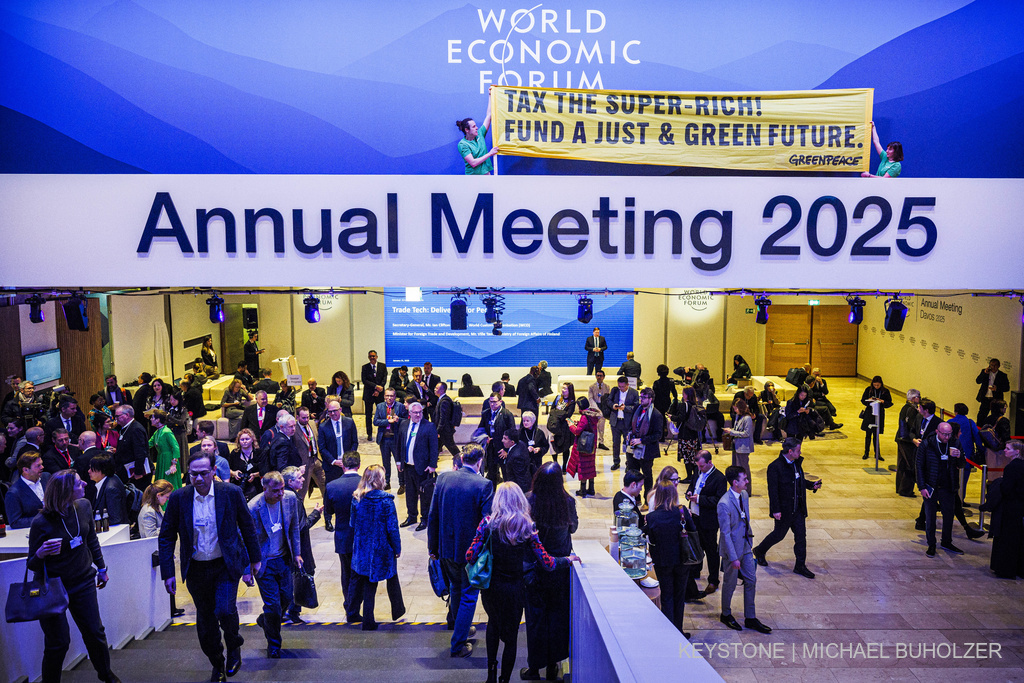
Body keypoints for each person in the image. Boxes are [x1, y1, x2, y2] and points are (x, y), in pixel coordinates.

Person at [159, 450, 262, 682]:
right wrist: (168, 572)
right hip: (196, 569)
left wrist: (255, 559)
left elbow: (247, 526)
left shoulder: (231, 493)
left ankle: (234, 645)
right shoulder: (179, 498)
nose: (198, 478)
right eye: (193, 474)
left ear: (214, 471)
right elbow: (166, 536)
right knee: (205, 623)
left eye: (203, 473)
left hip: (225, 565)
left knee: (225, 610)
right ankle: (217, 663)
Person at [466, 483, 577, 683]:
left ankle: (491, 675)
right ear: (519, 500)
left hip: (492, 588)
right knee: (511, 637)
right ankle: (505, 679)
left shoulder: (487, 523)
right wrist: (567, 560)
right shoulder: (528, 526)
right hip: (516, 589)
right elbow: (547, 562)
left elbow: (470, 555)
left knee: (493, 625)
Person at [27, 470, 121, 683]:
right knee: (58, 642)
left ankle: (106, 675)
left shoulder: (84, 506)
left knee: (95, 633)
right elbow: (31, 563)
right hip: (52, 587)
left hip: (83, 581)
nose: (85, 484)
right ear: (66, 491)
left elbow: (91, 540)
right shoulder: (41, 522)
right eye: (79, 483)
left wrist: (102, 568)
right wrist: (41, 553)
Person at [427, 444, 493, 657]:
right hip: (470, 552)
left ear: (462, 459)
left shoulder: (443, 478)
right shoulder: (484, 484)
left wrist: (432, 548)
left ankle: (460, 627)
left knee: (456, 588)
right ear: (480, 462)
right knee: (469, 595)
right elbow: (487, 523)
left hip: (446, 548)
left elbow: (432, 515)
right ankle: (458, 644)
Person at [522, 463, 578, 680]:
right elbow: (573, 528)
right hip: (559, 570)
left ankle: (534, 668)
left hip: (534, 569)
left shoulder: (528, 500)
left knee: (535, 620)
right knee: (556, 617)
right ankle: (553, 665)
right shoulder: (567, 502)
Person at [247, 471, 302, 658]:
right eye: (276, 490)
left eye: (282, 489)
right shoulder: (253, 507)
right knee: (272, 605)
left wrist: (297, 553)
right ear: (265, 488)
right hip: (264, 563)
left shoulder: (290, 499)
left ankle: (265, 620)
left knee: (286, 598)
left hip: (284, 559)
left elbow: (294, 527)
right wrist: (247, 569)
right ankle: (274, 644)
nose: (280, 494)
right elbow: (246, 539)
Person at [753, 438, 821, 578]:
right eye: (798, 450)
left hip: (798, 510)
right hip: (784, 510)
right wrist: (775, 510)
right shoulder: (775, 467)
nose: (800, 452)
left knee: (801, 538)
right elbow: (773, 490)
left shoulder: (796, 463)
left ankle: (800, 566)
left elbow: (799, 480)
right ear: (790, 451)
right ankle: (760, 550)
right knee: (778, 535)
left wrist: (811, 485)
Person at [350, 464, 405, 630]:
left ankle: (364, 617)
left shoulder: (357, 498)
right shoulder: (386, 501)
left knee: (367, 582)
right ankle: (392, 612)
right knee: (385, 578)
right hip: (381, 549)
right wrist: (397, 548)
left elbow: (352, 523)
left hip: (362, 547)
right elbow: (392, 529)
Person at [717, 465, 771, 634]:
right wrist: (733, 558)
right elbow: (725, 534)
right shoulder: (724, 504)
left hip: (746, 546)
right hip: (732, 550)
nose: (747, 481)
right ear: (735, 482)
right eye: (744, 479)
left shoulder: (744, 495)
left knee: (751, 580)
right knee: (730, 583)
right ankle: (726, 614)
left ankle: (750, 617)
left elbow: (745, 520)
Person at [646, 481, 697, 638]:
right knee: (679, 596)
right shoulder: (682, 512)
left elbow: (652, 540)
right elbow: (693, 530)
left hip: (663, 562)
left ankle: (669, 635)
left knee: (667, 596)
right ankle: (678, 631)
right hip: (682, 560)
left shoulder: (652, 517)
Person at [917, 421, 966, 557]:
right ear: (937, 432)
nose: (947, 437)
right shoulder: (927, 444)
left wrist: (959, 456)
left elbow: (962, 464)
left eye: (949, 434)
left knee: (949, 515)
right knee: (930, 517)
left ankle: (946, 541)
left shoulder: (955, 443)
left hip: (948, 486)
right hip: (931, 485)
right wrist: (922, 487)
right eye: (944, 434)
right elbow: (919, 466)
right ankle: (931, 544)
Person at [324, 452, 363, 623]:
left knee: (346, 573)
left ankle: (349, 605)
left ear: (343, 466)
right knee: (361, 574)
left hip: (343, 536)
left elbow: (329, 511)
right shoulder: (366, 484)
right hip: (362, 536)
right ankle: (355, 607)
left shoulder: (332, 486)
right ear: (359, 465)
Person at [280, 466, 322, 624]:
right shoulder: (294, 500)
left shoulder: (284, 496)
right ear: (290, 482)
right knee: (299, 576)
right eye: (299, 478)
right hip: (298, 547)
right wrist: (316, 513)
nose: (303, 479)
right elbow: (302, 526)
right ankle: (291, 611)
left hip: (288, 546)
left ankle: (288, 611)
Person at [684, 450, 726, 596]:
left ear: (709, 462)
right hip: (694, 516)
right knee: (696, 545)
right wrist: (689, 493)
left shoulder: (719, 478)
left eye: (702, 466)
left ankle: (713, 580)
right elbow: (692, 485)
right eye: (698, 466)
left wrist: (699, 499)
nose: (699, 468)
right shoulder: (697, 471)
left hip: (708, 520)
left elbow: (719, 500)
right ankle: (696, 570)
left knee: (711, 550)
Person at [397, 400, 439, 530]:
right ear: (409, 413)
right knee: (410, 493)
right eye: (415, 412)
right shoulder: (403, 424)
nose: (418, 415)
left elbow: (434, 447)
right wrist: (399, 461)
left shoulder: (429, 426)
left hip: (423, 467)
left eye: (420, 412)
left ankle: (425, 519)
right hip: (407, 466)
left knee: (424, 494)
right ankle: (411, 516)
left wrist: (432, 465)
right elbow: (399, 444)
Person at [989, 440, 1023, 579]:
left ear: (1017, 451)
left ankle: (1005, 569)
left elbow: (1006, 489)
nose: (1005, 450)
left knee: (1007, 538)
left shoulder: (1011, 467)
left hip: (1011, 506)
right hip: (1020, 506)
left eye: (1008, 449)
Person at [627, 387, 664, 502]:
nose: (641, 399)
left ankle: (647, 500)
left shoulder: (656, 415)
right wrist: (629, 433)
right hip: (633, 447)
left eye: (644, 397)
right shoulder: (637, 408)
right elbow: (631, 424)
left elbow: (658, 435)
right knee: (633, 473)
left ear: (650, 399)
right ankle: (636, 497)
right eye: (641, 397)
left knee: (647, 475)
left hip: (647, 449)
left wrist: (641, 440)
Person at [372, 389, 408, 492]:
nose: (389, 398)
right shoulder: (380, 406)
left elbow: (406, 420)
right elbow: (375, 421)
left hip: (396, 439)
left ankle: (402, 484)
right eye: (387, 396)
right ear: (384, 396)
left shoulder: (400, 406)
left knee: (399, 462)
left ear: (395, 396)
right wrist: (388, 421)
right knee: (385, 462)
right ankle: (387, 482)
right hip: (384, 439)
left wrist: (398, 420)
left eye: (391, 396)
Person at [479, 392, 516, 487]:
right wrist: (485, 437)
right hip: (491, 448)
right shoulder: (486, 413)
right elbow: (481, 429)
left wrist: (506, 450)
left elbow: (512, 433)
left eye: (495, 402)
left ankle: (509, 492)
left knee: (506, 474)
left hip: (502, 449)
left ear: (500, 402)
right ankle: (492, 494)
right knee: (491, 474)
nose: (492, 404)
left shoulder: (507, 414)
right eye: (490, 402)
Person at [948, 403, 984, 499]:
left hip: (951, 454)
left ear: (955, 411)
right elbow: (977, 438)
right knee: (963, 480)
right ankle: (961, 499)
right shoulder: (970, 422)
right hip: (966, 456)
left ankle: (951, 499)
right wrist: (981, 450)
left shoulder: (950, 422)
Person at [566, 398, 601, 497]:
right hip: (591, 445)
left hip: (584, 445)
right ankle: (591, 489)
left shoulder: (585, 416)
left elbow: (577, 431)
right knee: (590, 466)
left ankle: (583, 490)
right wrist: (578, 423)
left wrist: (571, 425)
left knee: (583, 467)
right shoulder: (592, 414)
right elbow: (587, 426)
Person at [5, 451, 51, 528]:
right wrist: (44, 519)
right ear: (26, 470)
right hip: (33, 530)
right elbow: (15, 522)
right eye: (38, 466)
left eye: (41, 464)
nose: (42, 467)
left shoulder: (46, 477)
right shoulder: (14, 493)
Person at [457, 99, 498, 175]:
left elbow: (489, 115)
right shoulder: (462, 144)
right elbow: (473, 163)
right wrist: (490, 154)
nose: (477, 128)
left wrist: (490, 96)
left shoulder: (480, 134)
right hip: (473, 177)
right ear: (467, 130)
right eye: (473, 127)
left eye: (476, 126)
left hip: (487, 175)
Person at [606, 376, 639, 471]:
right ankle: (616, 462)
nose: (621, 388)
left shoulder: (634, 392)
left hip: (627, 422)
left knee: (627, 444)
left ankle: (629, 463)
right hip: (615, 421)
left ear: (627, 385)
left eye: (623, 386)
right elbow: (608, 401)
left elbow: (636, 407)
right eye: (619, 386)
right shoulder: (615, 390)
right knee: (615, 443)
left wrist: (626, 408)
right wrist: (613, 405)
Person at [724, 398, 754, 495]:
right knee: (736, 468)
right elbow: (738, 429)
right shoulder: (738, 416)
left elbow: (747, 433)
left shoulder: (747, 418)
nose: (735, 410)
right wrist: (731, 430)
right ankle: (738, 488)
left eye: (736, 408)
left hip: (743, 447)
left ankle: (747, 490)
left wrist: (732, 432)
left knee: (744, 469)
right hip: (736, 445)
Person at [673, 386, 704, 483]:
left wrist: (672, 417)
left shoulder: (684, 405)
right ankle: (695, 476)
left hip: (685, 434)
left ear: (686, 394)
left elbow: (681, 418)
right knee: (693, 457)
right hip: (694, 434)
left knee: (687, 457)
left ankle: (689, 477)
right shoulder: (695, 404)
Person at [895, 389, 922, 497]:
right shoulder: (912, 410)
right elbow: (912, 426)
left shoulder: (905, 407)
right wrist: (913, 438)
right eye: (918, 397)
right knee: (910, 465)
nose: (919, 399)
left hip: (901, 438)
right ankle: (906, 490)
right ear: (914, 398)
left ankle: (899, 487)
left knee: (901, 464)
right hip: (907, 441)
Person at [89, 454, 129, 526]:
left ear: (102, 470)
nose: (89, 471)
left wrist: (94, 525)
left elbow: (115, 519)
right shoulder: (111, 478)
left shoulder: (111, 489)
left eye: (92, 469)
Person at [860, 375, 893, 460]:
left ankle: (877, 454)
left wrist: (882, 401)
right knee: (868, 435)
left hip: (879, 414)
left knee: (876, 435)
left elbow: (889, 403)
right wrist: (869, 400)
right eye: (875, 385)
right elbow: (863, 400)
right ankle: (866, 453)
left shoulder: (885, 391)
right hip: (869, 414)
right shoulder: (868, 390)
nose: (876, 386)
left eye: (878, 385)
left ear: (881, 384)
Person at [146, 409, 181, 490]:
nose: (151, 419)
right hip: (161, 458)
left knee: (169, 481)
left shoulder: (166, 432)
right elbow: (149, 444)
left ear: (158, 420)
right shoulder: (157, 432)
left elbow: (175, 447)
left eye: (153, 417)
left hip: (168, 459)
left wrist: (174, 464)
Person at [547, 383, 575, 471]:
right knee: (554, 445)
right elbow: (552, 410)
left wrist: (557, 413)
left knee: (565, 447)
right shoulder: (558, 398)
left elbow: (568, 414)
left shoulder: (572, 402)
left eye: (565, 389)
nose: (563, 390)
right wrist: (560, 413)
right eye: (562, 388)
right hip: (555, 425)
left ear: (570, 391)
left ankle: (564, 466)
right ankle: (555, 463)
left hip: (564, 427)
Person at [361, 350, 388, 441]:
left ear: (377, 356)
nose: (372, 358)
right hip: (369, 394)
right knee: (368, 415)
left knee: (382, 414)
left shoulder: (382, 366)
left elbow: (384, 379)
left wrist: (378, 389)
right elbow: (364, 380)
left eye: (373, 356)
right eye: (370, 356)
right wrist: (376, 387)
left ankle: (383, 432)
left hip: (380, 394)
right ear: (368, 357)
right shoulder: (365, 367)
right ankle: (369, 434)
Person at [975, 358, 1010, 425]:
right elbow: (978, 381)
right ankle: (979, 428)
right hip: (985, 398)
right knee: (981, 416)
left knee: (995, 417)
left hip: (996, 400)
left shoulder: (1002, 375)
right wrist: (984, 373)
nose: (993, 367)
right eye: (991, 365)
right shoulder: (985, 372)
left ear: (998, 366)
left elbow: (1007, 388)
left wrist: (997, 388)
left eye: (995, 365)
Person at [498, 427, 533, 493]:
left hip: (516, 489)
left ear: (512, 442)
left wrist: (519, 494)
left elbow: (520, 478)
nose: (502, 440)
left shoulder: (517, 457)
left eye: (505, 439)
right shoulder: (521, 443)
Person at [433, 381, 459, 460]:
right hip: (443, 430)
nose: (434, 389)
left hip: (445, 431)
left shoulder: (444, 401)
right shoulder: (442, 399)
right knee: (435, 447)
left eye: (436, 388)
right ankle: (432, 462)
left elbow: (443, 418)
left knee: (452, 448)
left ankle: (461, 460)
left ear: (442, 390)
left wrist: (438, 430)